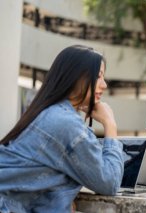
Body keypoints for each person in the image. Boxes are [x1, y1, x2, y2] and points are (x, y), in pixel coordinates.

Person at [0, 45, 126, 213]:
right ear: (75, 77)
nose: (104, 85)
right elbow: (109, 182)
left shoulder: (48, 112)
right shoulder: (65, 123)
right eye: (98, 76)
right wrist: (110, 124)